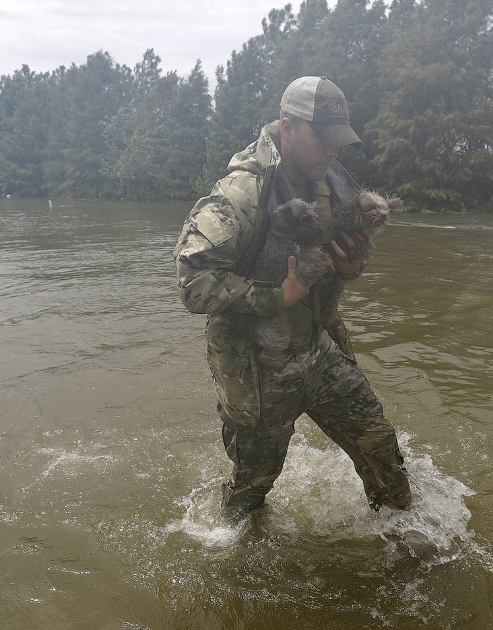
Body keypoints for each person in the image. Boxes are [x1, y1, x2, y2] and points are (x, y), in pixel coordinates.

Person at [174, 76, 411, 516]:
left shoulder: (331, 183)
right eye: (324, 139)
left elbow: (347, 260)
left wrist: (348, 266)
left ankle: (406, 544)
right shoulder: (241, 194)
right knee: (251, 492)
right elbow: (192, 283)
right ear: (288, 128)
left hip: (317, 348)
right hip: (256, 367)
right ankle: (232, 561)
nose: (333, 150)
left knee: (381, 448)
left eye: (338, 141)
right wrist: (276, 296)